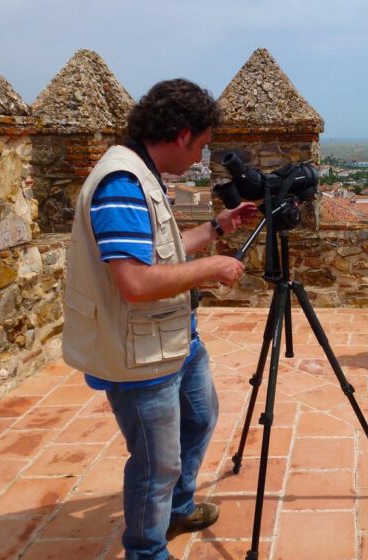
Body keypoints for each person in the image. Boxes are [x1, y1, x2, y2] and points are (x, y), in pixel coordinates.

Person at [62, 79, 258, 560]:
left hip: (172, 340)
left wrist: (216, 227)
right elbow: (135, 282)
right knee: (155, 463)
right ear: (181, 134)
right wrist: (212, 269)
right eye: (201, 146)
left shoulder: (140, 173)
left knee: (201, 416)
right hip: (141, 353)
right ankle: (147, 551)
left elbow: (159, 254)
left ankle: (176, 509)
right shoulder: (123, 184)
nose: (198, 158)